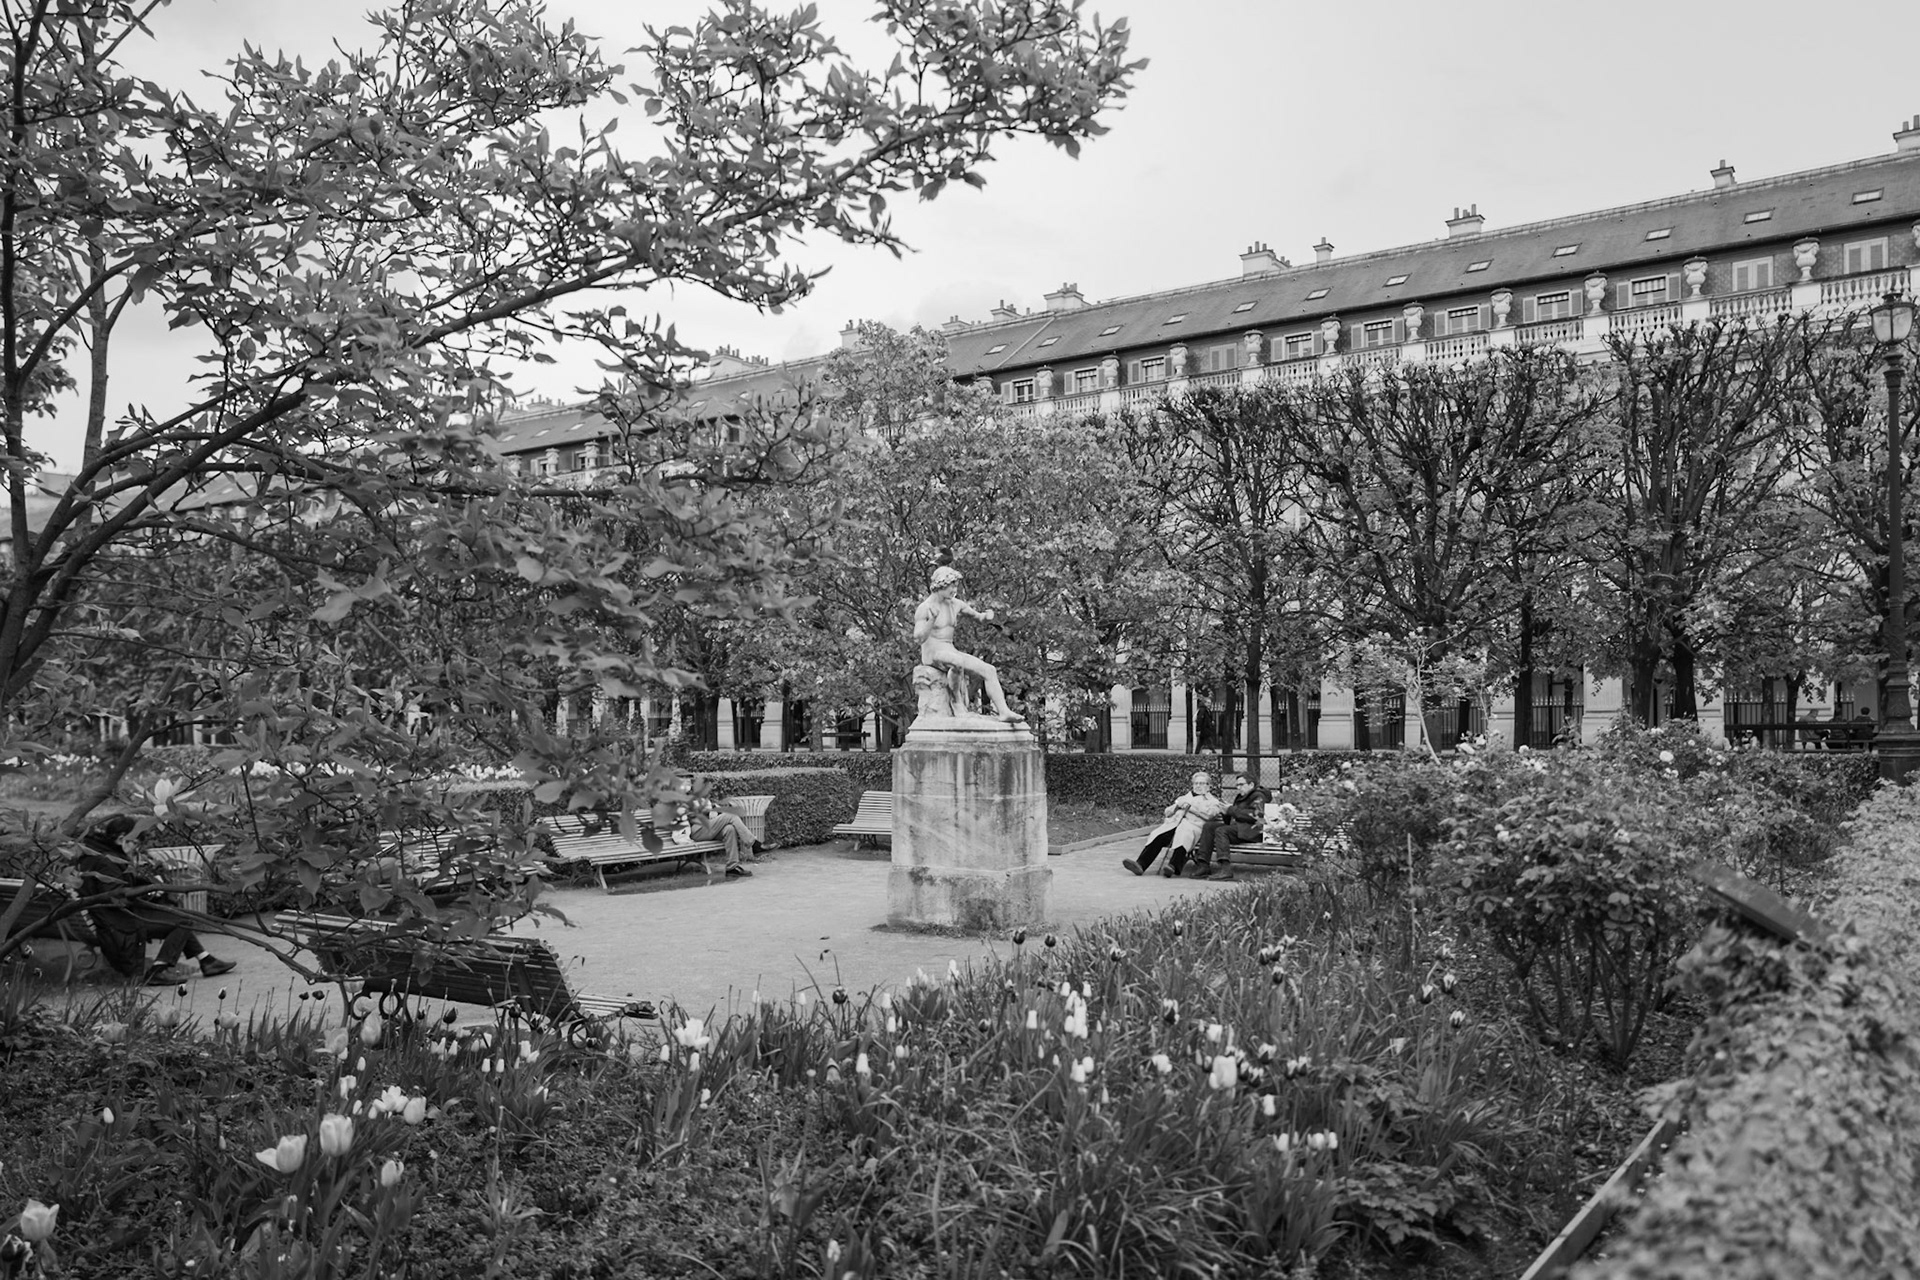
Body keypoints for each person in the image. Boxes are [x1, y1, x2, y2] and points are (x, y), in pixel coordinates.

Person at [76, 814, 237, 985]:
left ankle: (206, 960)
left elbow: (116, 886)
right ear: (121, 838)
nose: (135, 850)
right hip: (118, 924)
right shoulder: (106, 861)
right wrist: (145, 891)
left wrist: (150, 886)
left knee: (177, 915)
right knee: (182, 921)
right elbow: (115, 896)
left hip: (111, 919)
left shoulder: (98, 854)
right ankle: (159, 970)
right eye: (135, 844)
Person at [913, 564, 1023, 722]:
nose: (954, 590)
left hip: (950, 650)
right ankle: (957, 702)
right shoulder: (925, 608)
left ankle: (1004, 712)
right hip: (932, 654)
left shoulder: (955, 604)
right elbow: (918, 638)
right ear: (940, 585)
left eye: (956, 585)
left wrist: (987, 617)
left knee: (989, 669)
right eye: (952, 586)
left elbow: (978, 617)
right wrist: (931, 621)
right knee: (956, 661)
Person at [1122, 772, 1224, 878]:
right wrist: (1176, 807)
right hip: (1174, 825)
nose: (1198, 786)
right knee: (1159, 836)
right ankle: (1140, 865)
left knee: (1184, 837)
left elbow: (1210, 815)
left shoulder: (1212, 801)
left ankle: (1173, 867)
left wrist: (1190, 807)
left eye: (1202, 783)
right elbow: (1167, 812)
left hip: (1193, 828)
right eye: (1196, 783)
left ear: (1208, 786)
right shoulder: (1184, 797)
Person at [652, 777, 757, 878]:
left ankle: (732, 867)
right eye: (685, 780)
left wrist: (712, 809)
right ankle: (753, 844)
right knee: (731, 816)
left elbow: (708, 806)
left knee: (729, 829)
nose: (688, 782)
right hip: (697, 831)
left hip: (708, 827)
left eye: (689, 780)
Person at [1193, 774, 1271, 882]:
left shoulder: (1259, 796)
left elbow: (1256, 815)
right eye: (1237, 785)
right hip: (1239, 829)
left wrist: (1231, 810)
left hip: (1252, 831)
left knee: (1221, 831)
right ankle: (1203, 865)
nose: (1238, 788)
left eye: (1241, 784)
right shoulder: (1241, 796)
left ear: (1251, 784)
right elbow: (1230, 820)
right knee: (1209, 826)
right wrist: (1225, 811)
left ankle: (1225, 869)